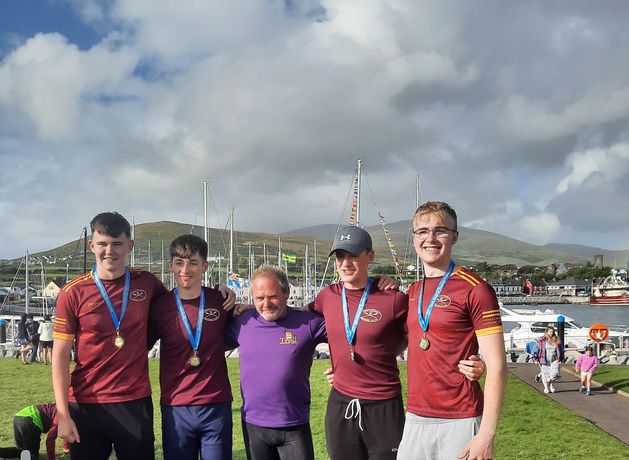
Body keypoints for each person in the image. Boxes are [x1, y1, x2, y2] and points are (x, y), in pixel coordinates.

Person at [52, 212, 170, 460]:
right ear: (91, 245)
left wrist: (222, 295)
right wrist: (63, 415)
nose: (109, 251)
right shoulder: (72, 292)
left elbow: (181, 305)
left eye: (117, 243)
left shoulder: (147, 283)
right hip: (85, 404)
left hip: (134, 402)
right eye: (103, 243)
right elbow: (60, 357)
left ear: (130, 246)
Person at [397, 201, 507, 460]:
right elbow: (394, 344)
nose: (430, 238)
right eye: (422, 231)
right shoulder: (412, 292)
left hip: (460, 418)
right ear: (414, 238)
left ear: (455, 236)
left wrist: (486, 434)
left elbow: (498, 366)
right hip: (414, 417)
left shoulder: (475, 289)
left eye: (440, 230)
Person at [227, 265, 327, 460]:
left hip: (294, 425)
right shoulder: (242, 322)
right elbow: (206, 333)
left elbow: (347, 330)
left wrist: (375, 287)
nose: (266, 303)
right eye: (259, 298)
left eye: (272, 296)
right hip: (254, 426)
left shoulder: (308, 323)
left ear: (286, 292)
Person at [149, 234, 234, 460]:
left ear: (204, 266)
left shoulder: (222, 300)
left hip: (215, 405)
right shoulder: (159, 307)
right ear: (171, 265)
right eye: (179, 262)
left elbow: (256, 322)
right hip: (176, 406)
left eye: (193, 262)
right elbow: (137, 343)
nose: (185, 269)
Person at [0, 403, 69, 460]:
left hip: (19, 416)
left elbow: (67, 432)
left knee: (21, 450)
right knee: (32, 455)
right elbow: (50, 439)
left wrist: (66, 447)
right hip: (30, 421)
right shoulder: (63, 415)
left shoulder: (65, 407)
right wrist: (52, 458)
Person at [533, 326, 563, 394]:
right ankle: (546, 388)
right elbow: (536, 349)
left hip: (554, 359)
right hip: (544, 359)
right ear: (546, 332)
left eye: (553, 331)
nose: (552, 333)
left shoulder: (556, 339)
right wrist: (535, 358)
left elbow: (561, 349)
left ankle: (551, 384)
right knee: (544, 374)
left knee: (555, 373)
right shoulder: (541, 340)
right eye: (550, 332)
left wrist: (561, 358)